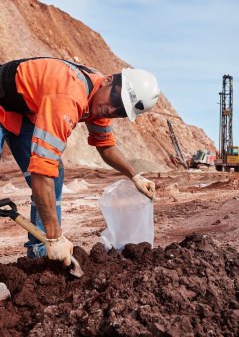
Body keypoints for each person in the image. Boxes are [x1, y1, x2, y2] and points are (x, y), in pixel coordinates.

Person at [0, 57, 160, 266]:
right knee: (46, 170)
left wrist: (135, 176)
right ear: (107, 81)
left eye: (120, 111)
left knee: (54, 174)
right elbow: (41, 171)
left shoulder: (101, 99)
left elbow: (106, 146)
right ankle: (50, 241)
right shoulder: (69, 95)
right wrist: (55, 236)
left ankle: (40, 254)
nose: (113, 110)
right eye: (116, 101)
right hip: (6, 101)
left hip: (21, 112)